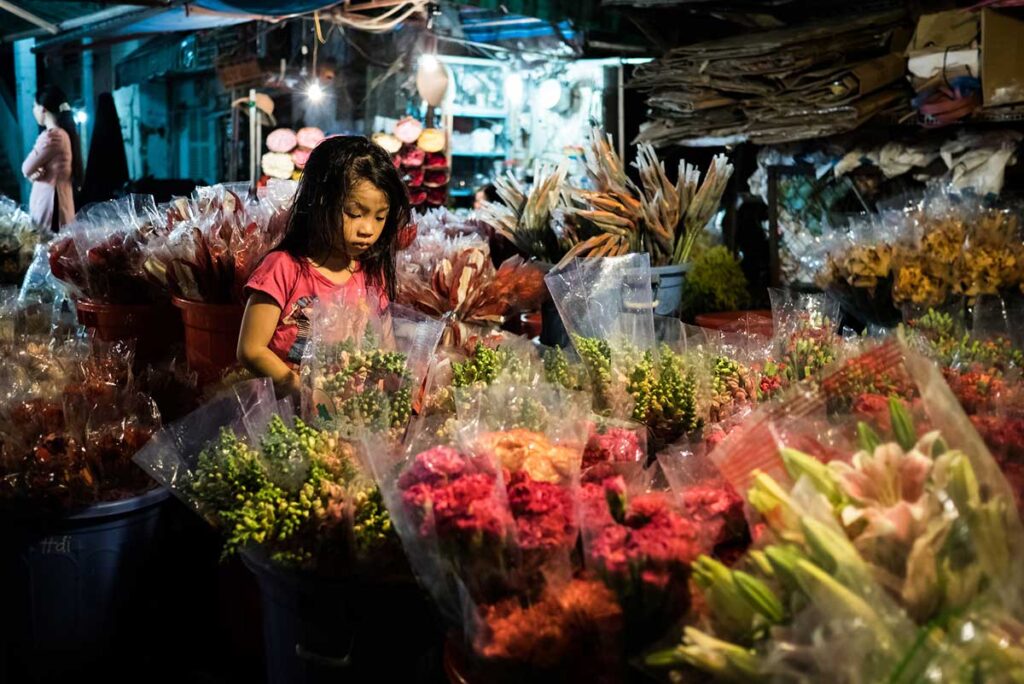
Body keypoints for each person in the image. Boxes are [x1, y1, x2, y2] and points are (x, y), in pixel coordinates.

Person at [237, 136, 409, 398]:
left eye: (380, 217)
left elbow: (384, 352)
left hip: (350, 417)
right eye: (354, 213)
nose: (368, 229)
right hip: (287, 414)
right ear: (319, 202)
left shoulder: (372, 275)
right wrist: (304, 391)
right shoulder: (283, 268)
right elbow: (251, 349)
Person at [22, 85, 82, 231]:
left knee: (49, 250)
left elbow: (26, 168)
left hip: (51, 207)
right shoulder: (62, 134)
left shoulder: (52, 137)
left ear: (43, 109)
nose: (33, 111)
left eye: (34, 106)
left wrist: (33, 173)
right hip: (57, 205)